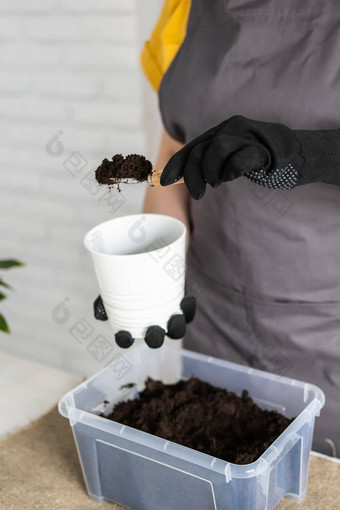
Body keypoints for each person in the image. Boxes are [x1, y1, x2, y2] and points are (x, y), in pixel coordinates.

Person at [141, 0, 340, 456]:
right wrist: (151, 267)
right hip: (212, 321)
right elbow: (172, 160)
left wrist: (314, 153)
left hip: (327, 334)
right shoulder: (183, 10)